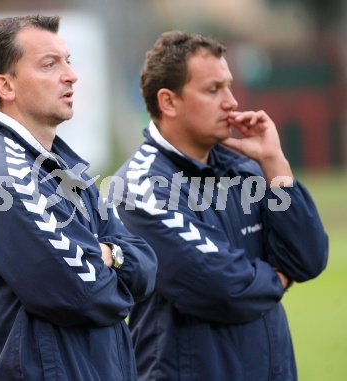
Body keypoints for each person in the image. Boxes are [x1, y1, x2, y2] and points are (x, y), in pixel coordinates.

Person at [112, 31, 328, 381]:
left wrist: (275, 164)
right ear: (168, 102)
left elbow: (310, 257)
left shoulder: (244, 167)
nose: (231, 101)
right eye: (213, 90)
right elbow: (224, 288)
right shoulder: (140, 187)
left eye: (229, 86)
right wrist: (279, 278)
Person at [0, 15, 157, 381]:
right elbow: (91, 294)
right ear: (6, 86)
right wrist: (115, 260)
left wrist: (109, 254)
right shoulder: (6, 179)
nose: (71, 75)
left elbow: (146, 265)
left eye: (68, 61)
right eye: (50, 64)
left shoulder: (67, 167)